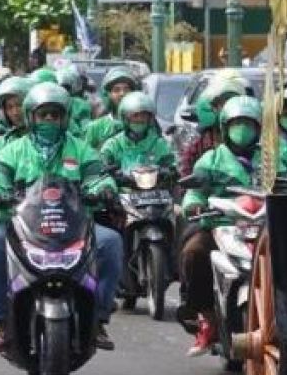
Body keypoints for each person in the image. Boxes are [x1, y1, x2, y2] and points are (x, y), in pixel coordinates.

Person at [0, 83, 122, 354]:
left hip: (75, 226)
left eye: (55, 114)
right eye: (43, 115)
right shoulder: (12, 150)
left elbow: (98, 175)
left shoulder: (82, 149)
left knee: (111, 242)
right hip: (21, 226)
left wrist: (103, 188)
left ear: (65, 117)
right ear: (31, 117)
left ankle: (98, 318)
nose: (49, 120)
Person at [178, 95, 262, 356]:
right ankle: (206, 317)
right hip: (220, 224)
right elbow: (195, 191)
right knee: (193, 253)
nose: (243, 129)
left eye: (248, 123)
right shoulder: (211, 159)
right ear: (225, 128)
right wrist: (194, 204)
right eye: (237, 123)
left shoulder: (271, 159)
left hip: (262, 228)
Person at [178, 72, 247, 177]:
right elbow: (186, 173)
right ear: (215, 107)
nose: (227, 107)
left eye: (232, 101)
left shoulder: (249, 137)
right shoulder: (201, 143)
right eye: (223, 103)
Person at [100, 91, 175, 173]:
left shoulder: (159, 144)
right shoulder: (113, 145)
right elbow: (102, 167)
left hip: (155, 184)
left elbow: (173, 166)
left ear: (150, 119)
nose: (140, 120)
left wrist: (164, 171)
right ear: (125, 118)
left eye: (143, 116)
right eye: (135, 116)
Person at [83, 67, 141, 150]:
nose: (122, 93)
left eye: (126, 89)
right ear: (108, 95)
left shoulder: (143, 124)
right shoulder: (95, 128)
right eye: (116, 90)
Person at [55, 65, 93, 134]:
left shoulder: (80, 105)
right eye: (60, 87)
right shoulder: (50, 103)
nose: (63, 91)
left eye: (66, 87)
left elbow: (86, 130)